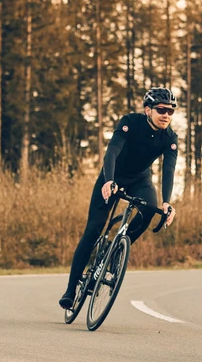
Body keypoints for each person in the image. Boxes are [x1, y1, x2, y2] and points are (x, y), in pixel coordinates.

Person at [59, 87, 178, 309]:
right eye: (161, 110)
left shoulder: (170, 137)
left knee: (150, 208)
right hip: (113, 175)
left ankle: (116, 253)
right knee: (93, 230)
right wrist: (109, 180)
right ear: (148, 110)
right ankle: (70, 289)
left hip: (140, 180)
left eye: (170, 111)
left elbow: (168, 170)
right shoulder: (130, 122)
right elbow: (112, 152)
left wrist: (166, 202)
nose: (166, 115)